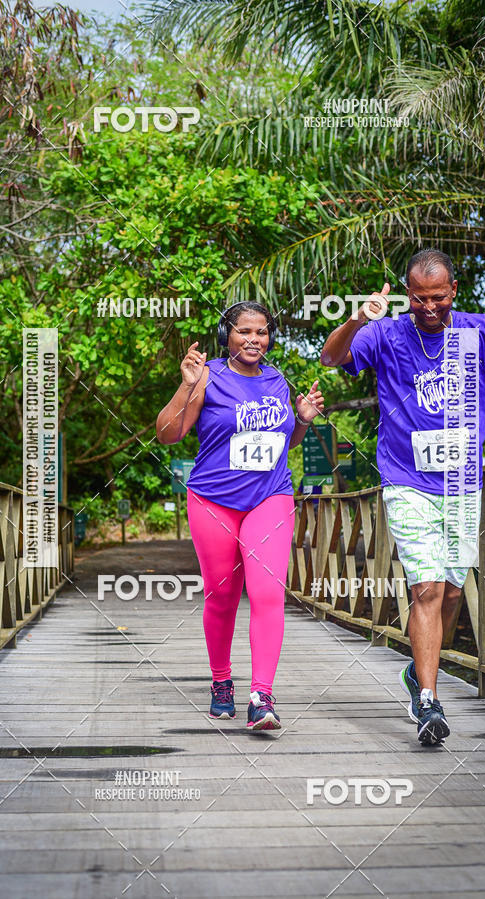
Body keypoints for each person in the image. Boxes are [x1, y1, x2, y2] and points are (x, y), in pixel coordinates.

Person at [320, 249, 485, 745]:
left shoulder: (477, 330)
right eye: (420, 299)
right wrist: (358, 318)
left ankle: (416, 670)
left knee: (450, 592)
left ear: (454, 291)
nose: (429, 308)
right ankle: (428, 700)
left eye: (439, 298)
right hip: (406, 480)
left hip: (462, 484)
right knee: (425, 588)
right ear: (408, 294)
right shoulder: (386, 333)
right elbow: (330, 357)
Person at [156, 301, 324, 730]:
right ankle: (221, 682)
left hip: (271, 496)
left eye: (261, 332)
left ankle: (261, 696)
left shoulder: (277, 380)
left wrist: (302, 421)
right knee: (223, 595)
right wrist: (185, 387)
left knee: (267, 594)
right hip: (213, 500)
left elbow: (280, 442)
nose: (254, 339)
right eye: (244, 331)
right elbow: (167, 435)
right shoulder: (207, 375)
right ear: (226, 335)